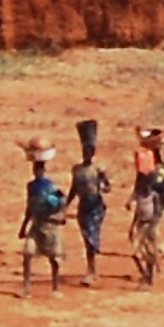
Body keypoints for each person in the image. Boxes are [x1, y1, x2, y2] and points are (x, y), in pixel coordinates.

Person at [66, 119, 112, 290]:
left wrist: (103, 186)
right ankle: (91, 269)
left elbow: (108, 186)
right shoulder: (77, 170)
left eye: (89, 150)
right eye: (85, 150)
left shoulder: (98, 169)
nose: (87, 153)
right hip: (84, 206)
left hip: (96, 206)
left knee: (91, 237)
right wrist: (65, 206)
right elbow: (73, 189)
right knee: (87, 239)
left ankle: (92, 270)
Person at [19, 139, 68, 296]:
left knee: (54, 259)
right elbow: (30, 207)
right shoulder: (32, 186)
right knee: (28, 253)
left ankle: (55, 287)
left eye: (39, 169)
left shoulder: (50, 186)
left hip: (49, 225)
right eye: (35, 169)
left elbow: (60, 202)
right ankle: (26, 288)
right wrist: (24, 226)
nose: (37, 171)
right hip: (37, 224)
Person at [127, 127, 164, 289]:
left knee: (144, 245)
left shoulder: (157, 171)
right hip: (146, 207)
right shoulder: (152, 169)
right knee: (144, 241)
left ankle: (148, 278)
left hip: (151, 208)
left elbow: (162, 191)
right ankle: (150, 273)